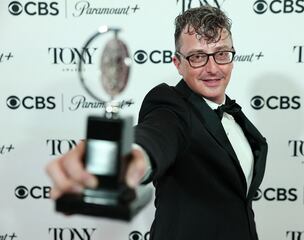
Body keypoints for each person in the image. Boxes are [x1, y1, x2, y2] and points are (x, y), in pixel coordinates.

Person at [46, 5, 268, 240]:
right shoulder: (171, 105)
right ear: (178, 63)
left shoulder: (233, 115)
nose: (212, 68)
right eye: (197, 57)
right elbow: (157, 135)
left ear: (232, 57)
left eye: (221, 54)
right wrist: (125, 159)